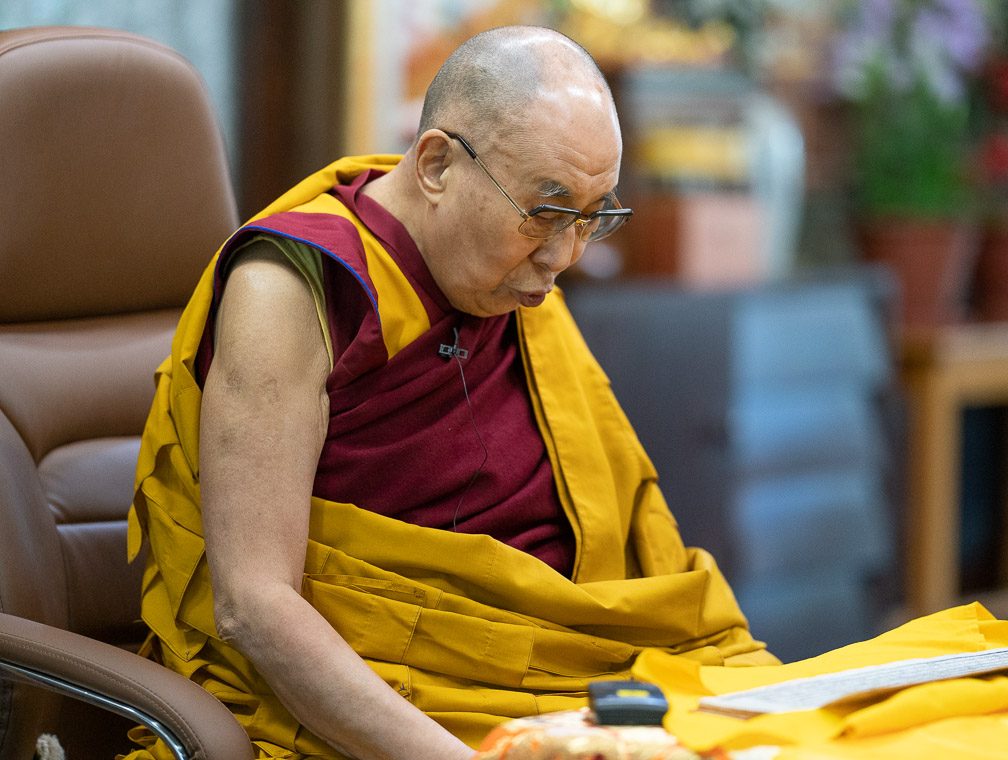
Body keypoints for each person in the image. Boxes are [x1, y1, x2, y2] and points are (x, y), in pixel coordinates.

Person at [125, 25, 775, 760]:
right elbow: (254, 606)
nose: (563, 258)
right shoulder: (295, 289)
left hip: (584, 676)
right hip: (382, 713)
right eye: (547, 212)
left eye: (593, 219)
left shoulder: (515, 288)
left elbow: (622, 549)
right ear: (435, 163)